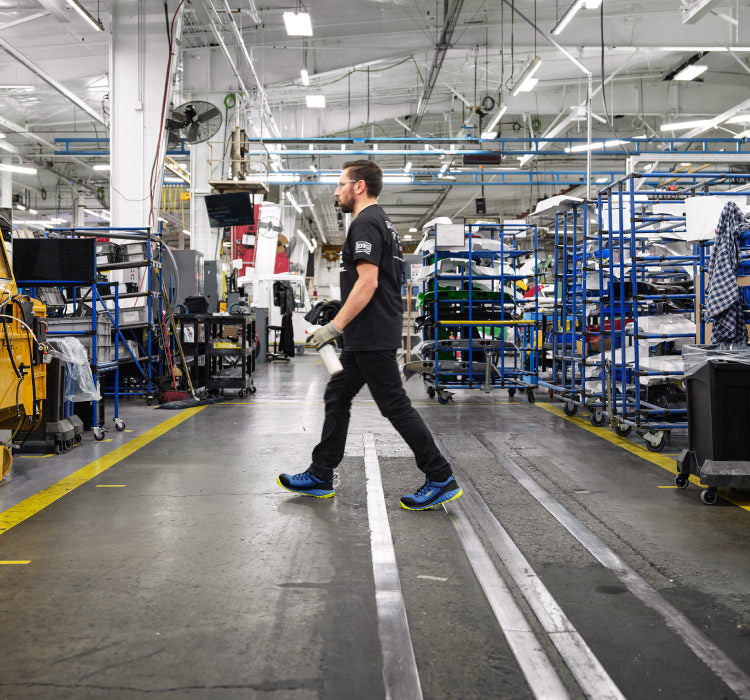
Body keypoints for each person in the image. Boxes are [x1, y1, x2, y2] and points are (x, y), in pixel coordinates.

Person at [277, 160, 462, 511]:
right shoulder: (383, 224)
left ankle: (440, 476)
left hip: (372, 333)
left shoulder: (365, 223)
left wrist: (335, 327)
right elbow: (372, 283)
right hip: (369, 331)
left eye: (340, 183)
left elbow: (369, 282)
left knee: (394, 404)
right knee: (337, 396)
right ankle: (320, 472)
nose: (336, 191)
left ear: (359, 186)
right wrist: (340, 307)